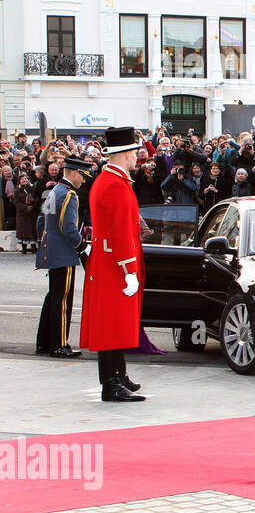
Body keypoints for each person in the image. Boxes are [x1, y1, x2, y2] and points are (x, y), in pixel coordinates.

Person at [80, 128, 147, 402]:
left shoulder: (111, 180)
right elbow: (119, 233)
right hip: (114, 265)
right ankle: (110, 382)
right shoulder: (115, 185)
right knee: (110, 325)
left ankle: (118, 375)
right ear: (126, 153)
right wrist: (129, 271)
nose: (137, 158)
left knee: (115, 323)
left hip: (109, 262)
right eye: (134, 153)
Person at [35, 157, 91, 358]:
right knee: (63, 300)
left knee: (53, 297)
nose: (83, 181)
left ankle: (44, 342)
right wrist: (83, 246)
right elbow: (69, 228)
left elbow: (41, 221)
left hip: (51, 250)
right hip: (64, 253)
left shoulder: (54, 192)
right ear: (74, 172)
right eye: (82, 176)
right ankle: (59, 344)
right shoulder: (69, 195)